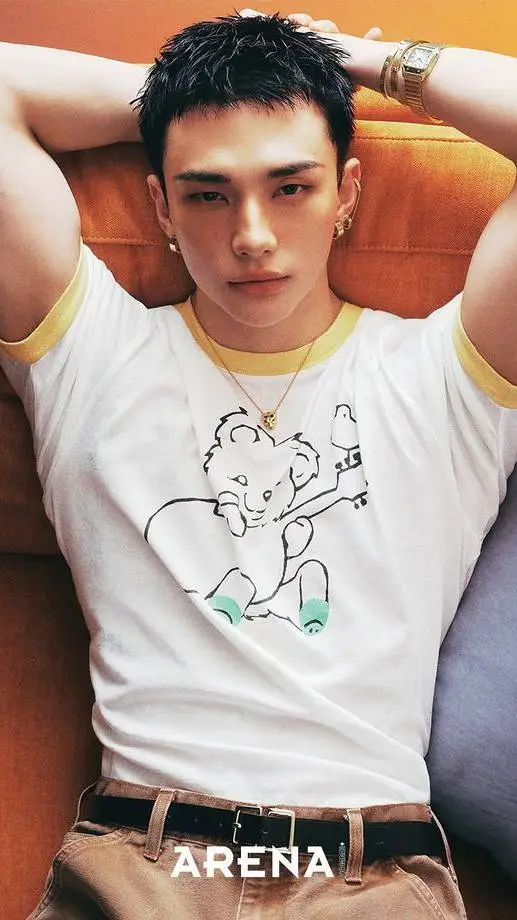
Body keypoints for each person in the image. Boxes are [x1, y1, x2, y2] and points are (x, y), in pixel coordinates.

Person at [1, 9, 516, 919]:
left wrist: (352, 63)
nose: (251, 235)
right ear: (160, 206)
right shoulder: (92, 355)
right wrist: (187, 94)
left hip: (367, 876)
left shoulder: (446, 379)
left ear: (346, 192)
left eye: (290, 187)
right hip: (143, 867)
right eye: (207, 193)